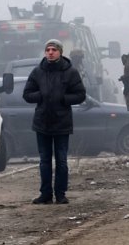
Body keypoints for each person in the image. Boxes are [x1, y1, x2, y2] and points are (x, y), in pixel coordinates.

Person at [23, 39, 86, 204]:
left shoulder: (70, 72)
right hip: (42, 122)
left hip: (62, 122)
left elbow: (80, 94)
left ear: (60, 52)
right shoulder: (38, 72)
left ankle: (60, 193)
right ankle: (45, 194)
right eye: (48, 50)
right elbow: (27, 94)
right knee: (44, 161)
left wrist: (64, 99)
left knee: (61, 160)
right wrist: (41, 96)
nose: (50, 52)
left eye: (54, 50)